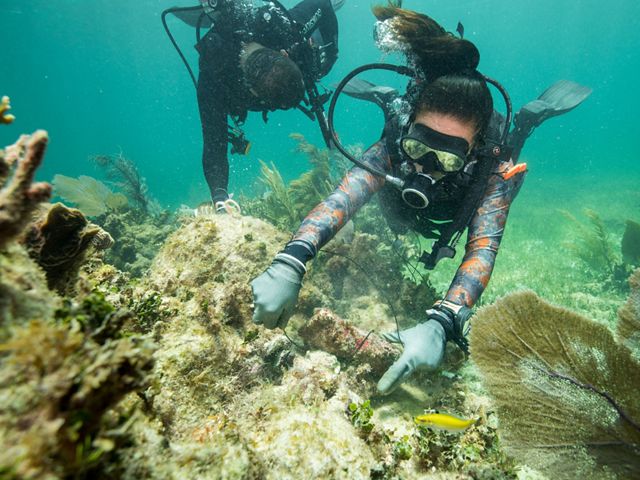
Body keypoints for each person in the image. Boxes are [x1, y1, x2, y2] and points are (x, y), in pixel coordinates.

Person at [250, 4, 590, 394]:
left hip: (473, 189)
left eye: (447, 157)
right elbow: (344, 195)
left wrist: (443, 321)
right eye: (418, 145)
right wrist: (291, 259)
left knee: (510, 173)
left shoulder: (488, 170)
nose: (427, 166)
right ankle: (391, 99)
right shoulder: (393, 147)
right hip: (403, 199)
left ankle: (526, 122)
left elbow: (483, 247)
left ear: (473, 148)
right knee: (393, 205)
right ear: (409, 128)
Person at [170, 0, 344, 213]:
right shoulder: (214, 77)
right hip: (223, 42)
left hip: (278, 36)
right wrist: (220, 198)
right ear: (253, 94)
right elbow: (214, 144)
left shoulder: (282, 28)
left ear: (284, 53)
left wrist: (328, 59)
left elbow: (323, 4)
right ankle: (211, 11)